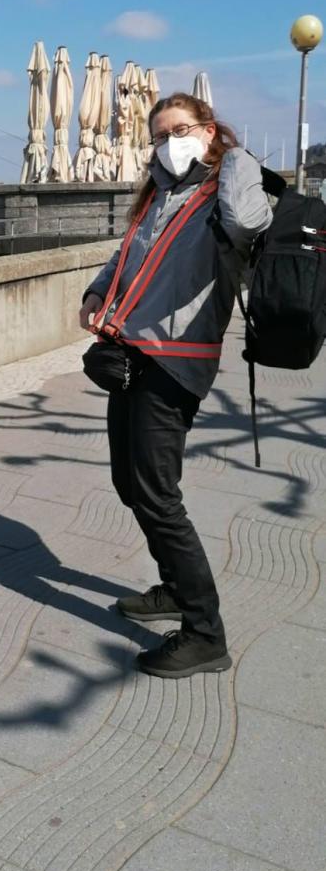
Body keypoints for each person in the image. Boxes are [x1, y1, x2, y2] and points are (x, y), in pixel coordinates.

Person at [79, 92, 272, 679]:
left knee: (157, 495)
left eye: (181, 130)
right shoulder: (160, 194)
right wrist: (96, 290)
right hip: (131, 353)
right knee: (129, 483)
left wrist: (233, 157)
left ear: (209, 130)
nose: (170, 143)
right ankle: (174, 586)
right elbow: (128, 255)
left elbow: (246, 225)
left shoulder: (228, 188)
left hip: (176, 361)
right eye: (160, 136)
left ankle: (205, 633)